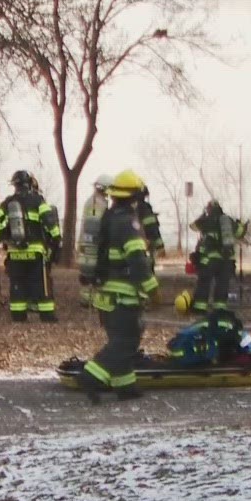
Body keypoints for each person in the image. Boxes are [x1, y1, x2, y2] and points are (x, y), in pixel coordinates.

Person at [77, 170, 160, 403]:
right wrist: (152, 289)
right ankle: (91, 375)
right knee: (126, 342)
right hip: (123, 296)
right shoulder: (128, 222)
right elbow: (137, 259)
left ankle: (125, 385)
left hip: (106, 293)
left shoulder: (110, 217)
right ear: (134, 196)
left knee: (121, 340)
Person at [0, 170, 62, 323]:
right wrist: (56, 238)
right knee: (40, 283)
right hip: (35, 251)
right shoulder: (37, 200)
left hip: (15, 252)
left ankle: (18, 316)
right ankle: (47, 316)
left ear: (14, 185)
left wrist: (2, 238)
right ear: (29, 183)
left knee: (17, 283)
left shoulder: (8, 202)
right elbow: (49, 220)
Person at [189, 200, 244, 314]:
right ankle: (219, 309)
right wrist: (240, 224)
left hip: (210, 259)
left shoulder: (205, 221)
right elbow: (240, 233)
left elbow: (193, 226)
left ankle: (200, 307)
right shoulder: (227, 220)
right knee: (222, 284)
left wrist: (202, 215)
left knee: (204, 282)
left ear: (209, 209)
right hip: (226, 259)